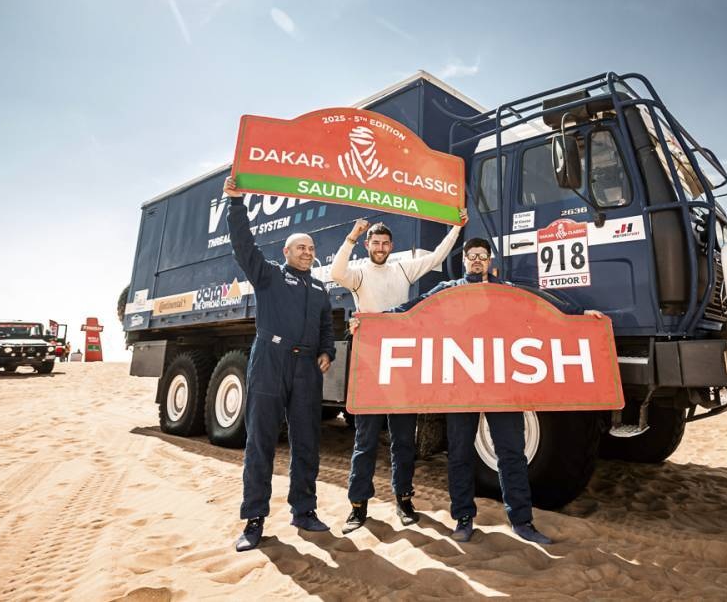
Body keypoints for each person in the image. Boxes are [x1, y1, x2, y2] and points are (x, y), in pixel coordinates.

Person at [349, 237, 603, 545]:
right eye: (472, 256)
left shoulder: (507, 291)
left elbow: (544, 306)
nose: (477, 260)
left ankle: (522, 521)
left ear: (490, 261)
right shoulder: (446, 291)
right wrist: (371, 322)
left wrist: (579, 314)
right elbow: (409, 311)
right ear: (464, 261)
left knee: (511, 454)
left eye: (482, 255)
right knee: (459, 455)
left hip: (501, 387)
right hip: (461, 388)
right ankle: (463, 517)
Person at [330, 212, 465, 534]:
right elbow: (337, 272)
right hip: (369, 365)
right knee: (364, 441)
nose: (380, 247)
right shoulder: (359, 274)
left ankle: (404, 500)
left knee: (403, 440)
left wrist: (458, 227)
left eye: (385, 243)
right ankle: (358, 507)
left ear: (392, 245)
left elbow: (438, 257)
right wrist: (351, 236)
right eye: (375, 242)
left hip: (401, 366)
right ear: (367, 245)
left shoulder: (403, 269)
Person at [224, 177, 336, 552]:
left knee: (307, 442)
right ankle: (254, 520)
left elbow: (325, 326)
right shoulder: (269, 275)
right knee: (261, 442)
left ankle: (304, 510)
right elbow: (243, 245)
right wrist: (236, 203)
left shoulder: (320, 289)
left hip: (306, 369)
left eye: (312, 248)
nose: (308, 252)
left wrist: (327, 351)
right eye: (301, 247)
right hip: (269, 362)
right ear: (287, 252)